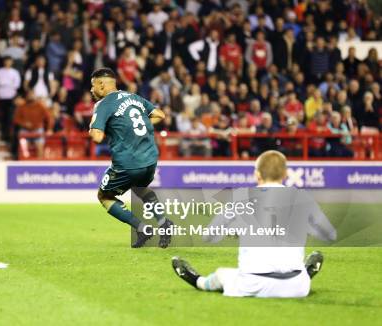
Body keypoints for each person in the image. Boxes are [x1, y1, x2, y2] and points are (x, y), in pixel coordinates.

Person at [171, 150, 335, 298]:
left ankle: (198, 281)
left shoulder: (241, 197)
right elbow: (330, 235)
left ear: (257, 175)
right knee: (296, 274)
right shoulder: (303, 198)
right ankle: (305, 272)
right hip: (297, 288)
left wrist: (235, 231)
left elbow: (208, 236)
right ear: (285, 174)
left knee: (222, 275)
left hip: (252, 284)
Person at [88, 67, 174, 248]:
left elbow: (97, 137)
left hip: (128, 162)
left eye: (93, 85)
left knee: (105, 196)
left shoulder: (103, 104)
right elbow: (160, 115)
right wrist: (141, 125)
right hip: (150, 159)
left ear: (101, 84)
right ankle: (164, 223)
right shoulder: (133, 97)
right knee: (140, 188)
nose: (91, 90)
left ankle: (142, 228)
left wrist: (92, 127)